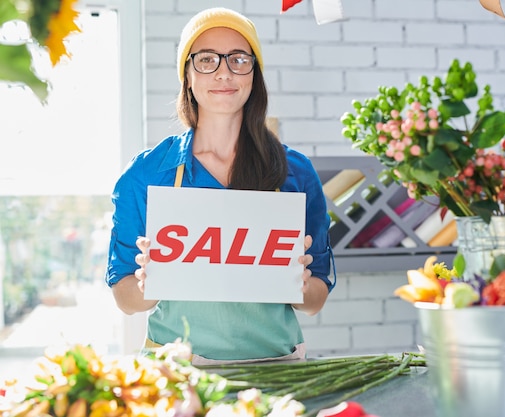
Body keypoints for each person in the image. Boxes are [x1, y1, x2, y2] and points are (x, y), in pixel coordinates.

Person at [105, 7, 335, 365]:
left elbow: (315, 300)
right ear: (187, 75)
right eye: (207, 59)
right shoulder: (147, 174)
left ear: (254, 75)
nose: (224, 72)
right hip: (176, 370)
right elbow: (125, 298)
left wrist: (299, 281)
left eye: (239, 59)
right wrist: (149, 281)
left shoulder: (295, 172)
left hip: (276, 369)